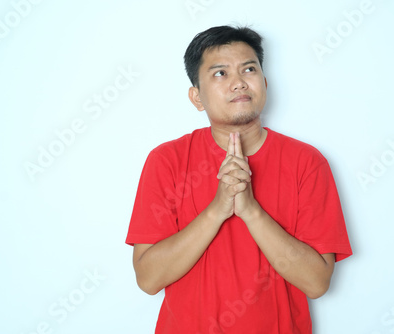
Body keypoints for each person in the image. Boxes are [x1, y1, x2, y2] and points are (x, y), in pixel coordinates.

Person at [125, 25, 352, 334]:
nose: (238, 83)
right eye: (220, 73)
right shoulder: (166, 161)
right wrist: (218, 209)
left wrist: (250, 211)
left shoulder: (307, 162)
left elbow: (316, 283)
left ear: (265, 83)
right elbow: (149, 279)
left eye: (248, 69)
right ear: (197, 97)